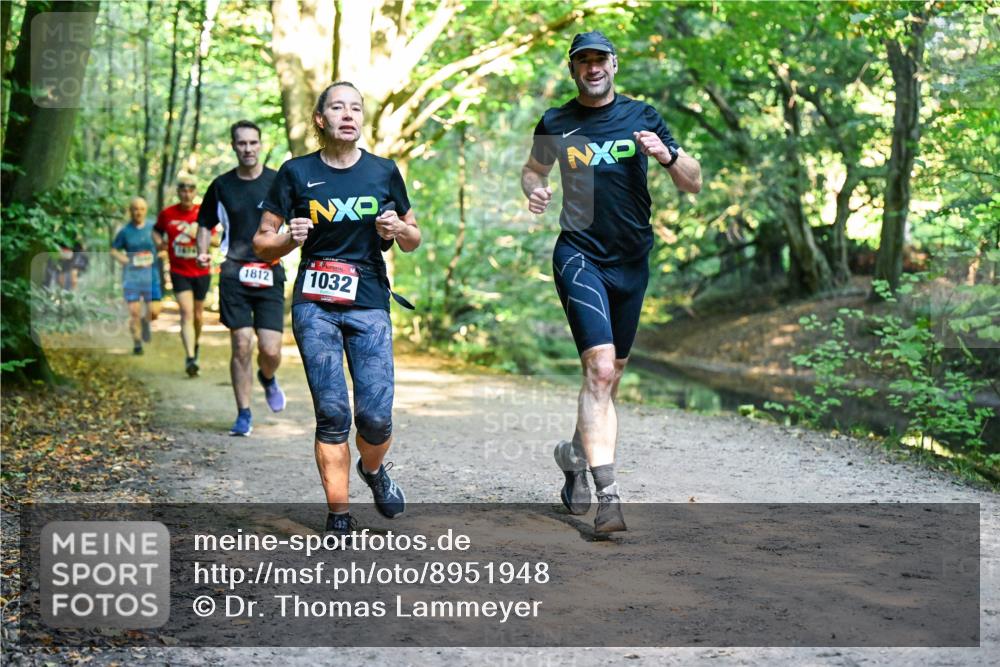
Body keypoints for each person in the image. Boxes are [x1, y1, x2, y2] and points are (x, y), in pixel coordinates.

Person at [521, 31, 702, 533]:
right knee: (599, 369)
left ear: (614, 65)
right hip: (579, 253)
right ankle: (610, 497)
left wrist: (665, 155)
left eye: (600, 60)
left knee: (612, 373)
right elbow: (532, 169)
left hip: (632, 260)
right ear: (573, 69)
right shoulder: (555, 122)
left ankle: (573, 456)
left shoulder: (643, 117)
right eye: (583, 62)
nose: (592, 68)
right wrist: (536, 190)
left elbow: (694, 180)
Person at [253, 81, 420, 537]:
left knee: (375, 416)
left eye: (356, 108)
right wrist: (288, 238)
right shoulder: (294, 173)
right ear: (320, 120)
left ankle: (374, 470)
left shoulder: (384, 172)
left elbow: (413, 236)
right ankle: (339, 516)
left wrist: (395, 231)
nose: (348, 114)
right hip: (314, 302)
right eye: (337, 107)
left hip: (368, 301)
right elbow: (262, 243)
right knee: (332, 412)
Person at [197, 121, 286, 436]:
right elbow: (204, 224)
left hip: (269, 269)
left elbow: (300, 218)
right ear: (233, 146)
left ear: (260, 144)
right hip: (234, 269)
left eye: (253, 143)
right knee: (241, 343)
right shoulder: (221, 185)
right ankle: (244, 413)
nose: (248, 148)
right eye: (241, 143)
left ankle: (268, 377)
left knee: (271, 349)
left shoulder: (277, 182)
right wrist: (202, 252)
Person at [155, 177, 209, 377]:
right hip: (179, 272)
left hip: (201, 271)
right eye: (183, 189)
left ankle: (194, 346)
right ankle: (190, 359)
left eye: (191, 189)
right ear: (178, 191)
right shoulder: (167, 214)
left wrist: (199, 235)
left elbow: (215, 240)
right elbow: (156, 231)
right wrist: (160, 243)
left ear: (195, 192)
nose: (187, 193)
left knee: (197, 316)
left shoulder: (204, 212)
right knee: (186, 314)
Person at [111, 197, 164, 356]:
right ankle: (137, 344)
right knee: (134, 312)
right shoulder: (125, 231)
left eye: (141, 208)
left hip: (151, 276)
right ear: (130, 211)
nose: (138, 212)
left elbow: (163, 245)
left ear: (145, 210)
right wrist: (126, 261)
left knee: (154, 312)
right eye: (135, 209)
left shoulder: (153, 228)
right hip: (132, 277)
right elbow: (113, 250)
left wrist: (163, 253)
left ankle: (145, 321)